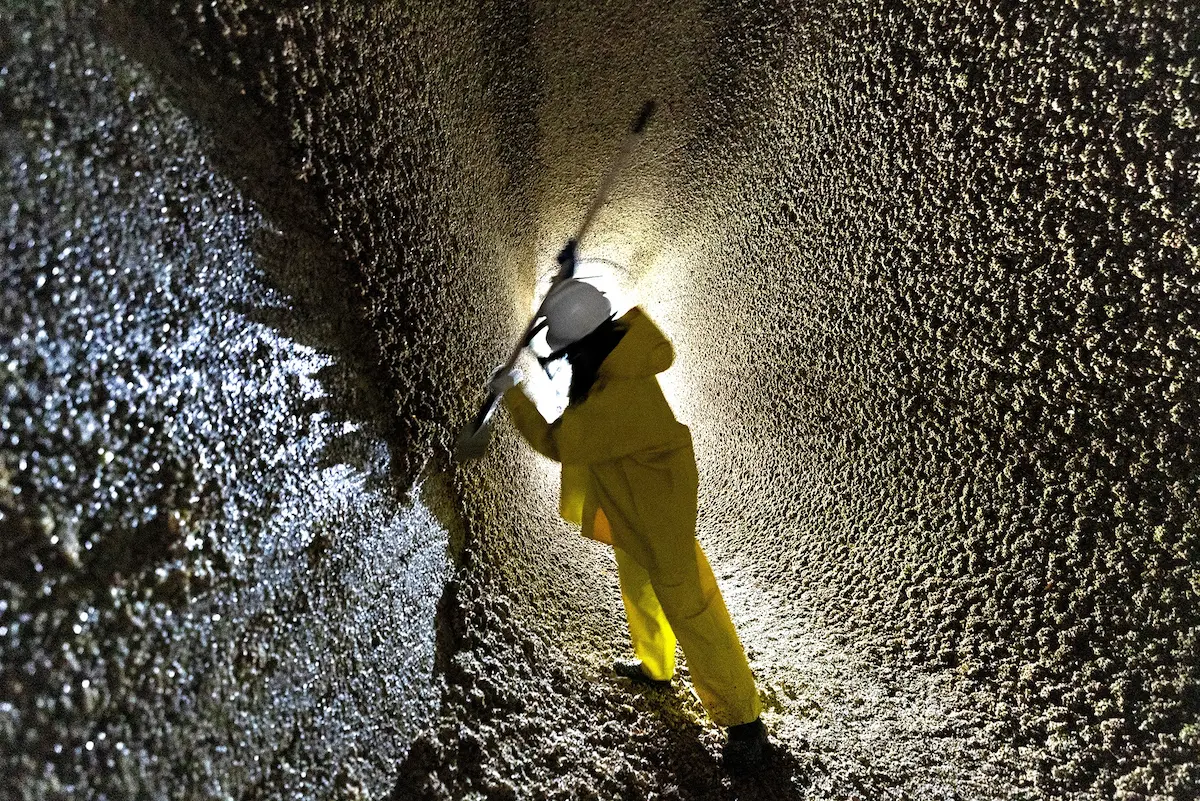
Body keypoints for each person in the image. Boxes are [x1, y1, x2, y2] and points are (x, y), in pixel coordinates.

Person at [488, 278, 770, 772]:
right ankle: (657, 668)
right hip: (634, 502)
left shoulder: (616, 393)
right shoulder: (615, 357)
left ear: (582, 343)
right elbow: (579, 394)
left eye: (567, 348)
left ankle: (745, 723)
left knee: (692, 608)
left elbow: (561, 443)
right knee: (639, 589)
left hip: (658, 512)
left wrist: (511, 396)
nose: (566, 357)